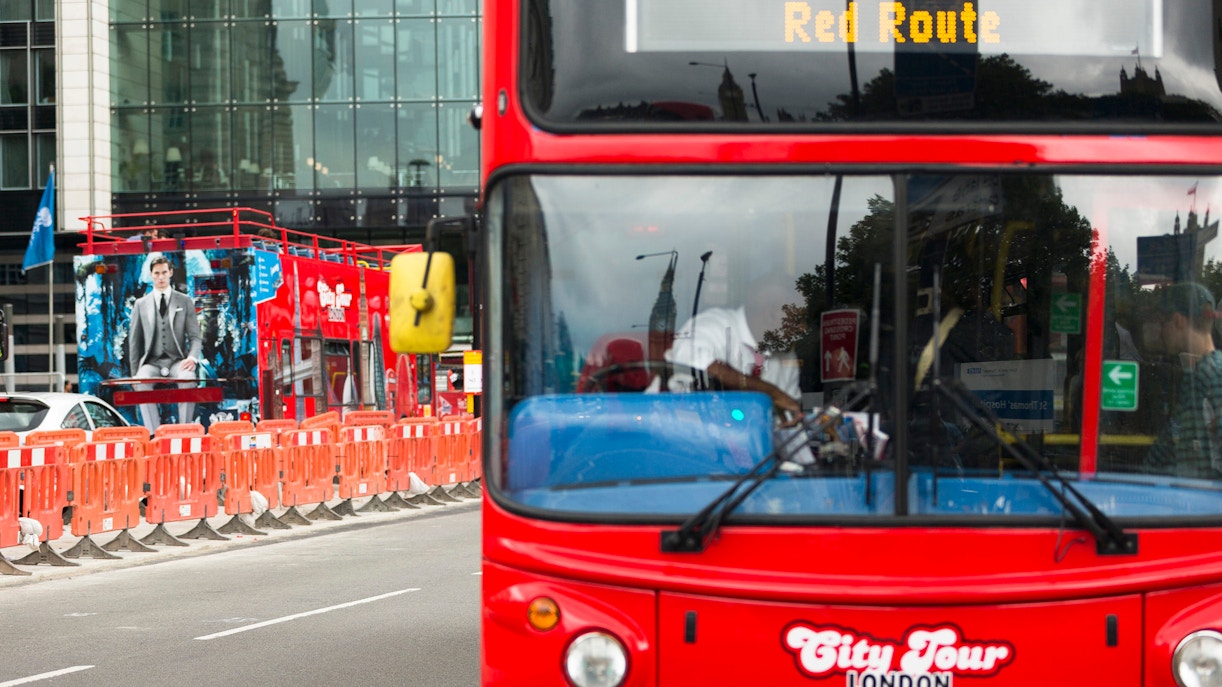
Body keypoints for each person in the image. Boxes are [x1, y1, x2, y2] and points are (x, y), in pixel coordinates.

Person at [1144, 282, 1222, 479]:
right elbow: (1171, 439)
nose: (1161, 331)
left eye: (1163, 323)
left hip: (1203, 502)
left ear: (1178, 320)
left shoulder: (1211, 375)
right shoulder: (1197, 374)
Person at [128, 256, 203, 430]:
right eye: (156, 273)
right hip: (151, 363)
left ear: (170, 273)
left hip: (177, 361)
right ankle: (155, 433)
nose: (160, 277)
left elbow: (195, 337)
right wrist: (134, 374)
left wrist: (192, 358)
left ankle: (184, 430)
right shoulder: (140, 304)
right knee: (141, 380)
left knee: (188, 378)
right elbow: (134, 342)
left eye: (164, 272)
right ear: (151, 275)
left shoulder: (184, 301)